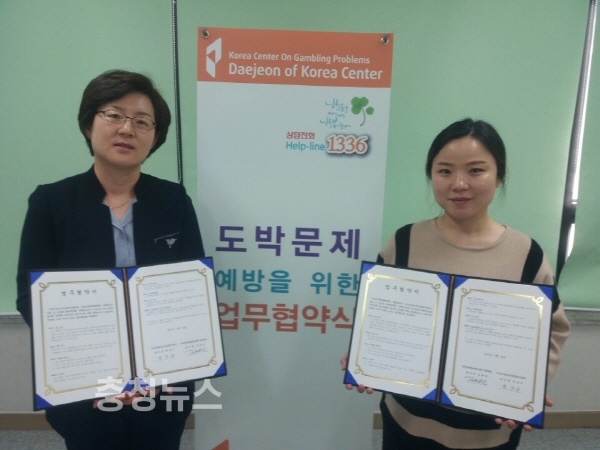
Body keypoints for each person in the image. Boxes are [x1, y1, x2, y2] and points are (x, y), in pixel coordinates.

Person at [341, 118, 570, 449]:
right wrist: (366, 357)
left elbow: (553, 330)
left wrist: (528, 388)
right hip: (407, 420)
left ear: (499, 176)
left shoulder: (527, 254)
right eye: (445, 171)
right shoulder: (404, 241)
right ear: (431, 175)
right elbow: (378, 313)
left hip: (487, 431)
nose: (459, 184)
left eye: (475, 170)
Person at [16, 69, 205, 450]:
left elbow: (193, 290)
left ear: (155, 137)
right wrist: (97, 365)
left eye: (142, 121)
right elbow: (30, 296)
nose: (127, 129)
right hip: (83, 377)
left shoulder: (173, 200)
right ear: (89, 124)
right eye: (114, 115)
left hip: (162, 376)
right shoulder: (51, 202)